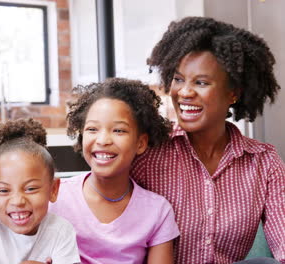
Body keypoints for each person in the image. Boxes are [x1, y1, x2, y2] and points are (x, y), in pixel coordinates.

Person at [130, 16, 285, 263]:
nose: (184, 92)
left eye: (201, 82)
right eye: (178, 79)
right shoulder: (147, 151)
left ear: (233, 93)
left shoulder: (263, 162)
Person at [49, 78, 180, 264]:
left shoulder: (158, 211)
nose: (103, 140)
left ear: (141, 143)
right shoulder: (55, 198)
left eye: (118, 131)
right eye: (92, 129)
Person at [0, 118, 80, 264]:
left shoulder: (61, 230)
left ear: (53, 190)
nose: (18, 201)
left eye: (30, 189)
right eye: (4, 190)